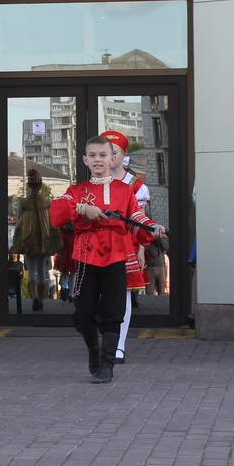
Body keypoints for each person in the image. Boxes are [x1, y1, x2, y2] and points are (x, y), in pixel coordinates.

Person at [50, 136, 164, 384]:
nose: (98, 160)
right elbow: (56, 212)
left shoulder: (125, 190)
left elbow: (136, 218)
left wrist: (152, 227)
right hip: (86, 255)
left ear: (112, 159)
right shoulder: (77, 190)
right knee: (83, 313)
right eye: (92, 155)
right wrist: (83, 209)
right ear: (85, 160)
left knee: (114, 311)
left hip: (115, 255)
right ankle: (94, 350)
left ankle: (107, 363)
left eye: (103, 155)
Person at [101, 130, 151, 365]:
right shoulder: (95, 183)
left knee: (125, 294)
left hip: (126, 245)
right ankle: (105, 341)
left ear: (123, 155)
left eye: (115, 152)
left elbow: (140, 220)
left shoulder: (136, 186)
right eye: (105, 152)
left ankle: (119, 345)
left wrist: (141, 249)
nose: (110, 157)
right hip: (100, 245)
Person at [13, 168, 54, 311]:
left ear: (28, 185)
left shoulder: (23, 203)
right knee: (42, 269)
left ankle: (34, 298)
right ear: (40, 185)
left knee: (31, 270)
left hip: (29, 239)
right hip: (43, 239)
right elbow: (51, 221)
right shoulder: (47, 201)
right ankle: (41, 299)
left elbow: (18, 222)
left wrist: (17, 240)